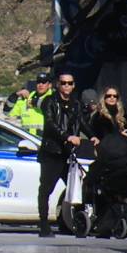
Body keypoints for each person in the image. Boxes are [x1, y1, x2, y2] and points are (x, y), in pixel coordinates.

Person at [35, 70, 89, 237]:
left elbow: (82, 123)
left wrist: (94, 136)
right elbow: (51, 125)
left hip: (68, 154)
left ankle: (79, 223)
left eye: (70, 83)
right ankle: (44, 225)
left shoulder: (76, 104)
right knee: (46, 189)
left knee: (77, 188)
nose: (67, 86)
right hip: (52, 152)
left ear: (74, 86)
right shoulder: (49, 102)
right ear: (58, 85)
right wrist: (67, 137)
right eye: (63, 83)